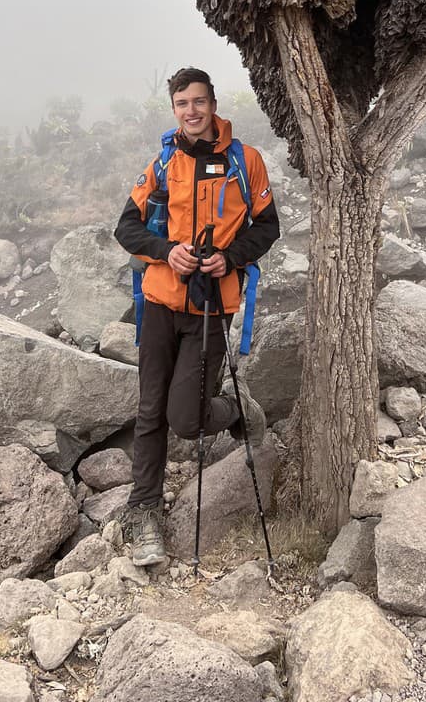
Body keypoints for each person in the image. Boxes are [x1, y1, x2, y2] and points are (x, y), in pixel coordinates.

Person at [114, 67, 281, 566]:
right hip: (161, 304)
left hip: (212, 306)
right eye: (183, 103)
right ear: (174, 109)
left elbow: (267, 227)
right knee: (150, 411)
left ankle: (234, 411)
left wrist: (228, 257)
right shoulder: (162, 163)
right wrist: (168, 251)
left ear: (213, 104)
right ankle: (143, 513)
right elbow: (127, 227)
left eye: (199, 101)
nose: (192, 111)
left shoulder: (244, 161)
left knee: (186, 420)